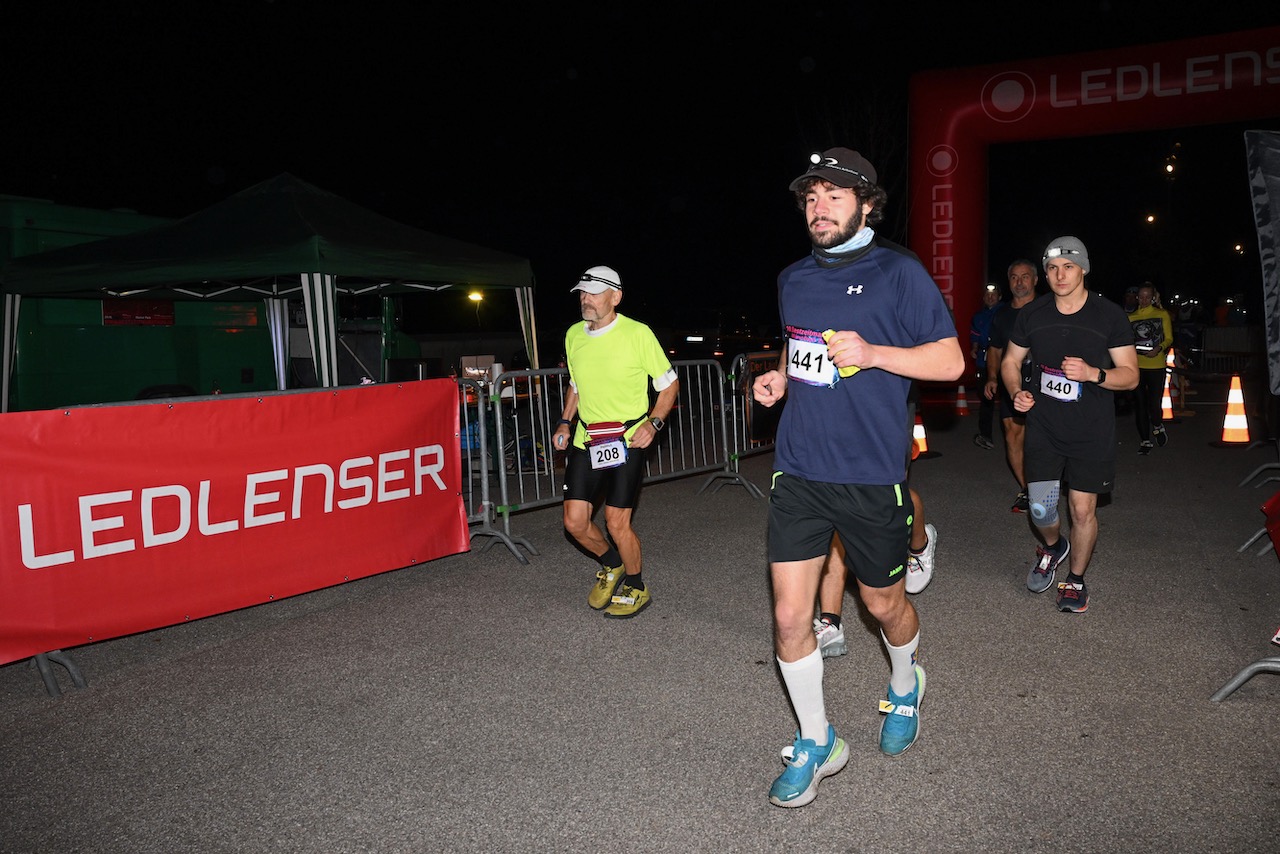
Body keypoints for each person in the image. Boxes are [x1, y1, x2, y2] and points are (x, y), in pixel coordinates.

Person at [753, 148, 964, 808]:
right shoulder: (792, 277)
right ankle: (818, 742)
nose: (819, 207)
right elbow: (799, 344)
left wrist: (874, 354)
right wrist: (782, 377)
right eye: (810, 197)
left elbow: (952, 361)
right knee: (791, 616)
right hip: (800, 469)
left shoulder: (899, 273)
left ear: (867, 203)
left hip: (871, 474)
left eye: (834, 195)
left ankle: (906, 684)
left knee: (881, 606)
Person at [1001, 237, 1137, 614]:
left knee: (1081, 510)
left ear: (1084, 269)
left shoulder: (1108, 315)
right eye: (1053, 268)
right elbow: (1011, 362)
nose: (1060, 275)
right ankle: (1052, 546)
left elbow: (1131, 377)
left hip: (1092, 431)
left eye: (1069, 267)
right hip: (1044, 427)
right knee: (1041, 511)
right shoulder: (1033, 314)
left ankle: (1075, 579)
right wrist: (1016, 392)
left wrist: (1095, 373)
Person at [552, 265, 679, 619]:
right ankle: (613, 564)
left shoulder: (638, 334)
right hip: (586, 438)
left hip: (626, 439)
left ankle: (637, 586)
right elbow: (576, 384)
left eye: (593, 293)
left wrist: (653, 423)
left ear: (615, 297)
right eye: (582, 292)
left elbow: (668, 385)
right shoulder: (574, 335)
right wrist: (565, 420)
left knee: (616, 521)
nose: (585, 299)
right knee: (574, 522)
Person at [984, 259, 1038, 512]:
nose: (1019, 282)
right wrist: (993, 378)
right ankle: (1028, 489)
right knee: (1012, 435)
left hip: (1044, 381)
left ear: (1035, 280)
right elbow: (994, 350)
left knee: (1045, 436)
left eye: (1025, 277)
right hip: (1011, 382)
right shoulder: (1002, 314)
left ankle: (1051, 479)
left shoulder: (1048, 309)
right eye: (1014, 277)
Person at [1129, 282, 1174, 454]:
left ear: (1154, 297)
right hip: (1137, 367)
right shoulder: (1130, 318)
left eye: (1148, 296)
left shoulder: (1162, 314)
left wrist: (1159, 348)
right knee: (1140, 404)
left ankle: (1157, 424)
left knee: (1154, 404)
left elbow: (1169, 338)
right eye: (1141, 296)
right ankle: (1145, 440)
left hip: (1156, 365)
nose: (1144, 299)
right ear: (1137, 297)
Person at [970, 283, 1005, 449]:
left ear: (999, 297)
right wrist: (974, 350)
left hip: (1006, 360)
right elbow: (975, 336)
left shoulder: (1006, 312)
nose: (990, 297)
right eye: (987, 295)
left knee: (1011, 398)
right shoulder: (978, 316)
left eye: (994, 294)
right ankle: (985, 436)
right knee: (986, 398)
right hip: (984, 361)